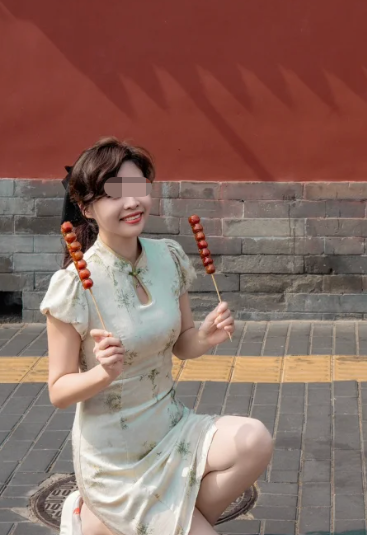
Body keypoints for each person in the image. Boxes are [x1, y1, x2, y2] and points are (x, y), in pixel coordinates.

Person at [40, 138, 273, 535]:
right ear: (87, 207)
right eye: (115, 193)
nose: (132, 202)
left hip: (170, 430)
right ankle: (98, 515)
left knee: (255, 440)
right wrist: (102, 373)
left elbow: (183, 344)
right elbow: (58, 391)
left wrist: (205, 336)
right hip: (115, 461)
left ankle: (118, 526)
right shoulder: (74, 286)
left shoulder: (168, 257)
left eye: (138, 188)